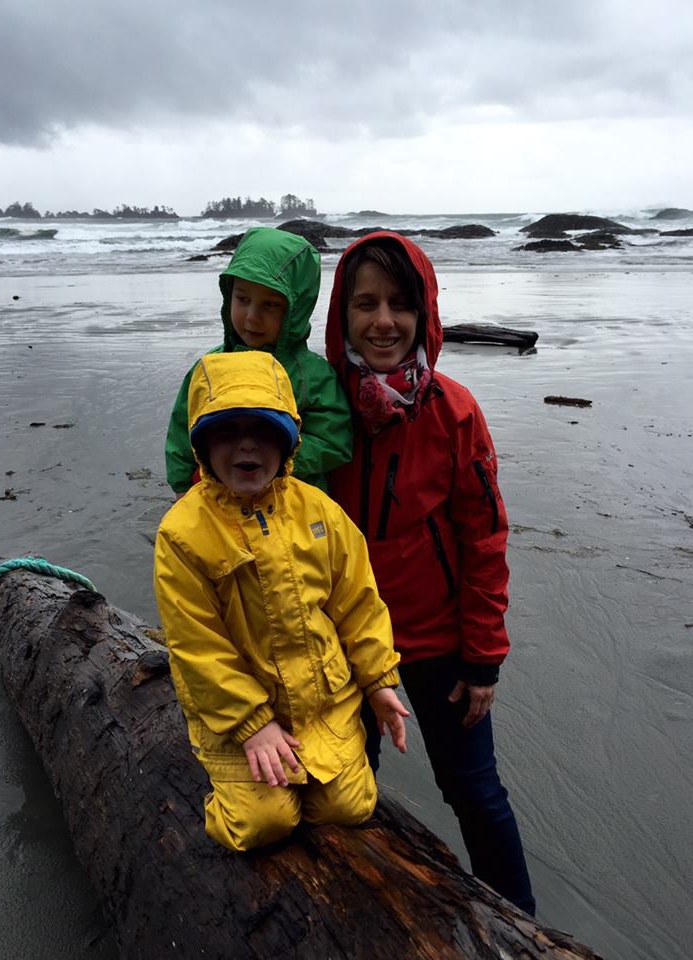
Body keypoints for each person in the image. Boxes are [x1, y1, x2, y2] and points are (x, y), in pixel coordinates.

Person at [324, 232, 535, 914]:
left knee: (475, 791)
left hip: (440, 644)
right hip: (339, 642)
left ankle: (521, 927)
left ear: (424, 313)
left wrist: (483, 659)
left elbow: (484, 539)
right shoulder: (316, 409)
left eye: (399, 304)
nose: (382, 321)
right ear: (340, 314)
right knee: (345, 784)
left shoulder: (453, 411)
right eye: (364, 304)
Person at [154, 350, 408, 852]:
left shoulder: (319, 512)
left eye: (264, 429)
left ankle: (303, 775)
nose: (247, 445)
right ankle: (222, 788)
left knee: (350, 808)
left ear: (288, 440)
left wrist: (379, 680)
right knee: (260, 826)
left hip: (321, 705)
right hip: (240, 713)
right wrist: (251, 725)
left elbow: (359, 602)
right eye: (227, 430)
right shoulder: (183, 534)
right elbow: (197, 647)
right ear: (202, 444)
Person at [165, 226, 352, 496]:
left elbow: (335, 442)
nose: (252, 316)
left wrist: (275, 458)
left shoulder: (313, 375)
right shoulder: (209, 368)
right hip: (218, 507)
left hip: (292, 511)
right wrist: (184, 487)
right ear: (229, 294)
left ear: (295, 310)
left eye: (270, 305)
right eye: (242, 299)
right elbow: (183, 431)